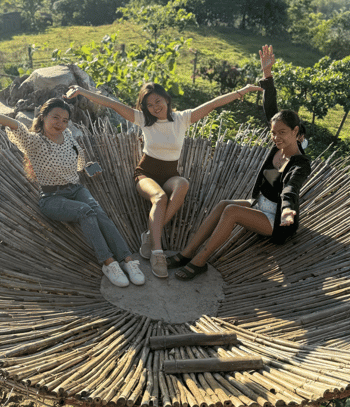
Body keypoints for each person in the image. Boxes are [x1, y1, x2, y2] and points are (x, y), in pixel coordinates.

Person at [66, 81, 263, 278]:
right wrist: (83, 91)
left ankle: (151, 234)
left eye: (157, 101)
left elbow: (212, 104)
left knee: (183, 184)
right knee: (159, 197)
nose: (154, 107)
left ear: (167, 100)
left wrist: (241, 92)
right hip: (146, 173)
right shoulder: (144, 120)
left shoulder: (182, 119)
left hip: (170, 175)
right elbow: (112, 104)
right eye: (149, 105)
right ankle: (157, 252)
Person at [0, 89, 145, 288]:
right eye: (55, 118)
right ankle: (109, 263)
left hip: (76, 189)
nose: (60, 124)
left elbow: (77, 157)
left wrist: (84, 167)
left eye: (64, 120)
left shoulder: (68, 136)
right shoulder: (34, 142)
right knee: (86, 211)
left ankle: (129, 261)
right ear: (43, 117)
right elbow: (10, 123)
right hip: (53, 198)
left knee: (99, 213)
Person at [168, 45, 312, 280]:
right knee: (223, 204)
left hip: (276, 220)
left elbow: (290, 188)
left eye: (283, 133)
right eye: (274, 133)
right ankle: (186, 253)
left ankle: (200, 261)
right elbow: (272, 110)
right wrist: (267, 76)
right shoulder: (279, 144)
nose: (276, 137)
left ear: (296, 132)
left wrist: (287, 210)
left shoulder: (300, 162)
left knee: (232, 211)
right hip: (260, 204)